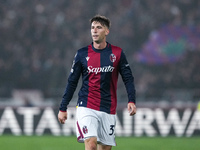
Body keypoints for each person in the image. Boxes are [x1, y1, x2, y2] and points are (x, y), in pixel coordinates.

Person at [58, 15, 136, 150]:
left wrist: (131, 100)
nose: (94, 30)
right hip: (86, 105)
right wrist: (63, 107)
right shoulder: (82, 54)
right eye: (92, 27)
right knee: (92, 145)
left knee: (104, 148)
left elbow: (128, 78)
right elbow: (72, 82)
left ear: (106, 31)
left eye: (98, 27)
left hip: (108, 107)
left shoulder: (117, 53)